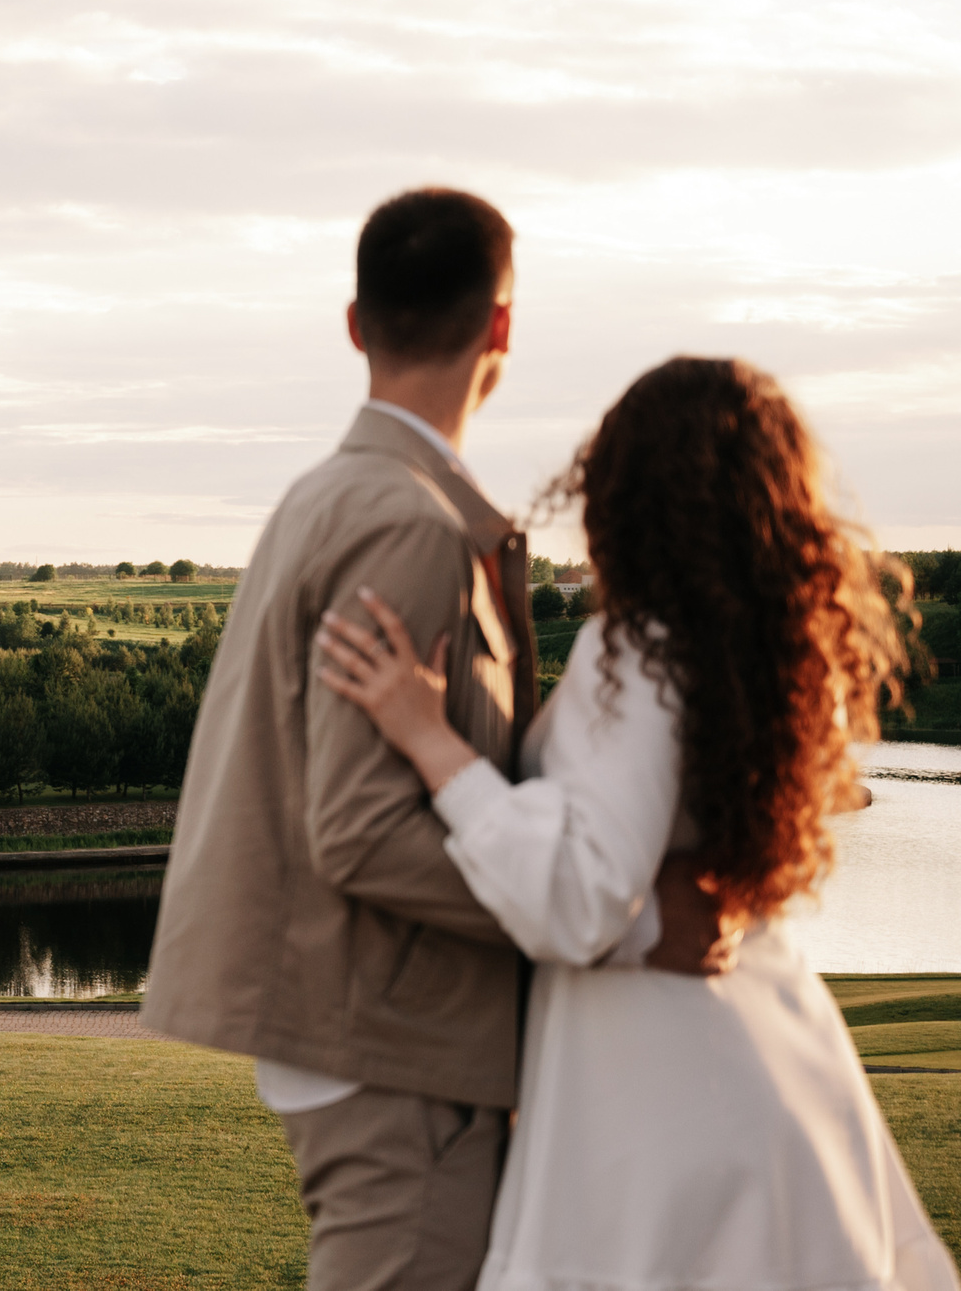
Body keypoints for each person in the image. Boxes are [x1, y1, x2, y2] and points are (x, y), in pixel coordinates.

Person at [142, 189, 733, 1291]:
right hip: (389, 1042)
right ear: (501, 328)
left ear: (355, 322)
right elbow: (360, 831)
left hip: (365, 1030)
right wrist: (606, 924)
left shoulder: (333, 493)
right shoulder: (407, 522)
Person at [315, 357, 958, 1291]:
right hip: (766, 1048)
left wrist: (429, 741)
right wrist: (656, 909)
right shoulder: (757, 652)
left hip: (656, 1091)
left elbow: (580, 896)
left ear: (627, 488)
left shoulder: (640, 649)